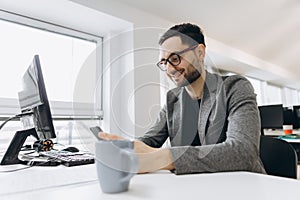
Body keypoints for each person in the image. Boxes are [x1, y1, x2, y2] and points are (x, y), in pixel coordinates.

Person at [99, 23, 266, 175]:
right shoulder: (173, 99)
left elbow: (243, 152)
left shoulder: (235, 87)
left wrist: (162, 158)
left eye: (175, 58)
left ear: (200, 52)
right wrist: (126, 147)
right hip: (190, 188)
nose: (170, 69)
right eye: (164, 62)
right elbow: (150, 141)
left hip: (241, 187)